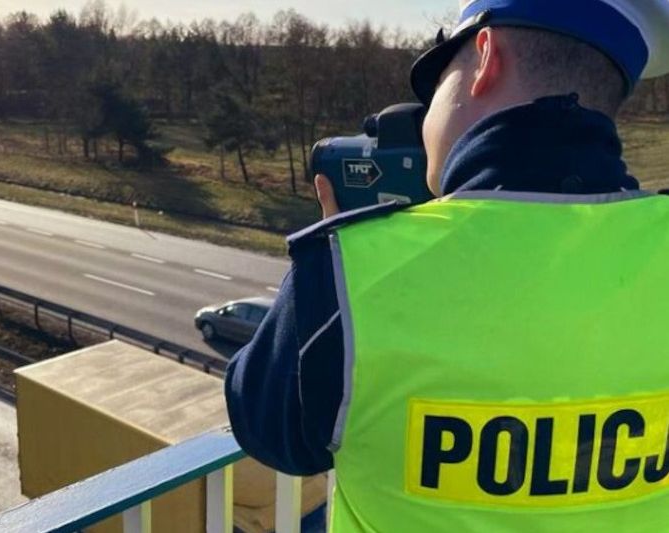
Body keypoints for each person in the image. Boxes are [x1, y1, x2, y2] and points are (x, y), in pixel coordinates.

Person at [225, 0, 669, 531]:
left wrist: (333, 260)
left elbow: (268, 431)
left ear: (485, 58)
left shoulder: (349, 270)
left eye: (435, 81)